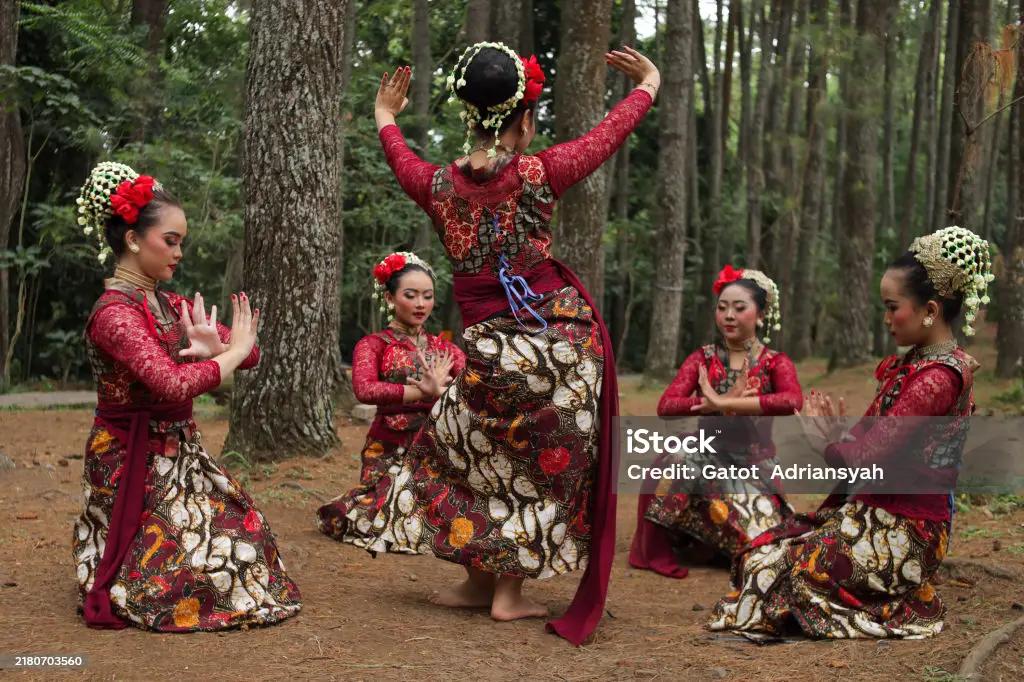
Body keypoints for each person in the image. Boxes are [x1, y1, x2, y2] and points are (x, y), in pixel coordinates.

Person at [351, 42, 659, 644]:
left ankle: (477, 580)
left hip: (487, 350)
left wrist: (385, 114)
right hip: (556, 347)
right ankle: (505, 591)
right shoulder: (540, 173)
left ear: (469, 114)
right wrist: (647, 85)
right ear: (525, 120)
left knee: (467, 453)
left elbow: (400, 156)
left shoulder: (437, 186)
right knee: (543, 463)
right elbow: (605, 137)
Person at [709, 226, 992, 639]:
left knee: (796, 574)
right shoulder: (913, 365)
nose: (886, 319)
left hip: (909, 530)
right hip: (874, 514)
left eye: (892, 307)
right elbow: (866, 443)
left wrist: (826, 444)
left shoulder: (938, 378)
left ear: (930, 310)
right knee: (760, 556)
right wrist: (838, 437)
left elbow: (868, 458)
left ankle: (901, 598)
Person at [72, 162, 301, 631]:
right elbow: (172, 384)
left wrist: (218, 349)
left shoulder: (171, 304)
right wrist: (228, 355)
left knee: (248, 541)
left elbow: (250, 353)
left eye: (182, 242)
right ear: (133, 239)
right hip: (128, 459)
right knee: (171, 580)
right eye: (170, 240)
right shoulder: (114, 314)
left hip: (182, 452)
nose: (178, 253)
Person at [630, 266, 802, 579]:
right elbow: (666, 405)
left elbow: (792, 401)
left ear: (761, 315)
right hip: (706, 460)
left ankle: (713, 541)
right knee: (677, 459)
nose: (729, 316)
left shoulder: (775, 362)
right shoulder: (703, 358)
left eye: (739, 308)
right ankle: (676, 541)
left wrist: (727, 403)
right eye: (722, 308)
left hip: (753, 468)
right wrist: (709, 405)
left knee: (763, 548)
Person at [317, 251, 465, 544]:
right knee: (385, 514)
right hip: (389, 446)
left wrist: (443, 393)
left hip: (436, 446)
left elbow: (474, 389)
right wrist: (420, 392)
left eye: (427, 296)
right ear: (389, 298)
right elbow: (365, 389)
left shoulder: (446, 349)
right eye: (411, 295)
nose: (421, 304)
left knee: (446, 513)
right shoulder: (373, 345)